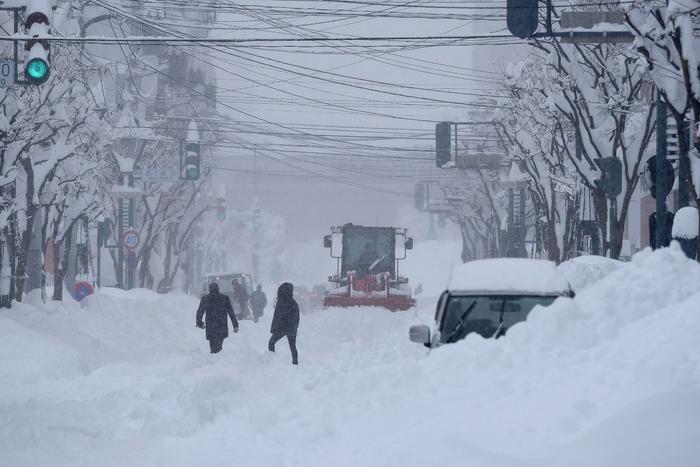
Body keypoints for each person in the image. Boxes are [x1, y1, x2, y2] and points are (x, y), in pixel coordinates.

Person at [196, 282, 239, 353]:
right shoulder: (225, 298)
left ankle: (214, 356)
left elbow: (200, 311)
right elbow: (231, 313)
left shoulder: (205, 299)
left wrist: (199, 323)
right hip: (221, 325)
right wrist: (235, 325)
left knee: (212, 344)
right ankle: (216, 357)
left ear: (209, 290)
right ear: (218, 289)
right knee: (219, 344)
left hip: (210, 326)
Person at [268, 282, 299, 365]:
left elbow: (277, 317)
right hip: (291, 329)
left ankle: (271, 361)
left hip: (281, 328)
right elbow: (296, 318)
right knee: (292, 346)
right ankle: (295, 363)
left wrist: (274, 328)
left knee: (271, 343)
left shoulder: (281, 302)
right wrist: (294, 329)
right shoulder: (294, 303)